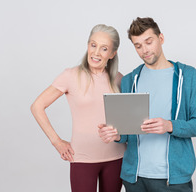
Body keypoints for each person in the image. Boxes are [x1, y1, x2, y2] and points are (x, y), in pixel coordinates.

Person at [98, 17, 196, 192]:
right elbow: (127, 133)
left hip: (173, 180)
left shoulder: (187, 76)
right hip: (134, 179)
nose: (144, 50)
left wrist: (169, 125)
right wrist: (115, 135)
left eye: (148, 42)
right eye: (138, 45)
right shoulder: (129, 81)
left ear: (161, 38)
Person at [30, 24, 126, 192]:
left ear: (112, 54)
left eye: (104, 49)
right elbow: (37, 106)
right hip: (82, 158)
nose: (96, 53)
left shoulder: (119, 79)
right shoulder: (70, 76)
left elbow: (128, 119)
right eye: (93, 45)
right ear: (88, 45)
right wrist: (56, 141)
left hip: (117, 157)